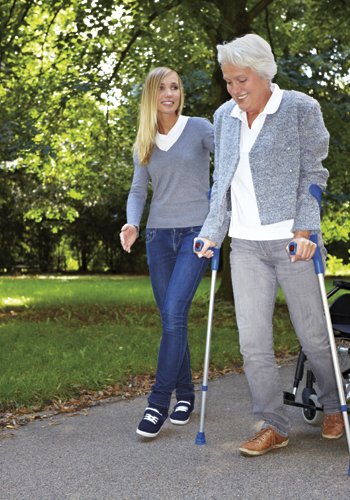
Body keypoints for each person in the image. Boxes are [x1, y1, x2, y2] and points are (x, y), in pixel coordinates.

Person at [193, 34, 343, 456]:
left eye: (242, 80)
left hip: (294, 244)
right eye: (228, 81)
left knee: (314, 336)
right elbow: (220, 185)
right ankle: (273, 424)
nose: (235, 89)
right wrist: (211, 232)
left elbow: (314, 175)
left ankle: (334, 406)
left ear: (263, 74)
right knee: (253, 343)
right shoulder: (224, 117)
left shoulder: (299, 108)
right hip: (245, 247)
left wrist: (306, 230)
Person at [120, 67, 214, 438]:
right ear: (151, 95)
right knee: (170, 319)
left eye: (175, 87)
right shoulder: (144, 140)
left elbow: (230, 162)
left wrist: (218, 214)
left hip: (196, 236)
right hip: (158, 238)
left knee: (174, 312)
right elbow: (138, 191)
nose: (170, 93)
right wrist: (132, 223)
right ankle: (186, 394)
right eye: (162, 88)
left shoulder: (200, 128)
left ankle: (157, 403)